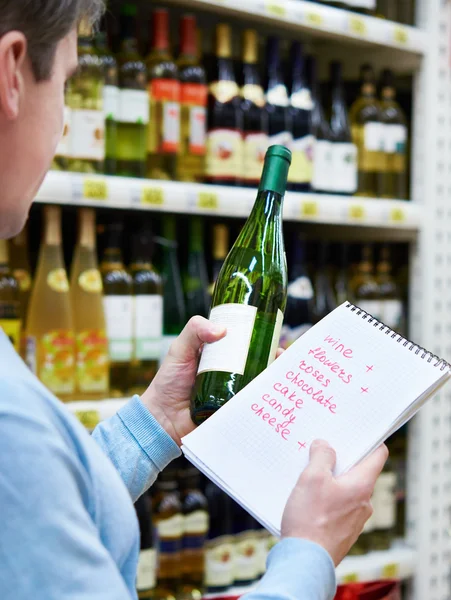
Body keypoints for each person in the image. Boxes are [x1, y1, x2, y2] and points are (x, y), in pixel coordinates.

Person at [0, 1, 388, 598]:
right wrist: (309, 551)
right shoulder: (10, 422)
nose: (67, 127)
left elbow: (42, 510)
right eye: (71, 85)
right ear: (13, 74)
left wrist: (157, 419)